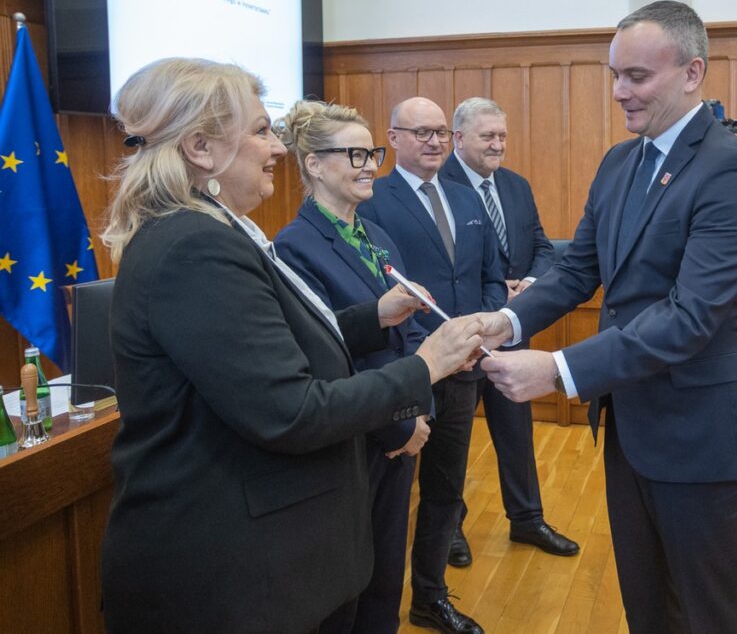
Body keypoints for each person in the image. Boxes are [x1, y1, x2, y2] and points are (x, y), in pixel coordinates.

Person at [99, 59, 483, 634]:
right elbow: (290, 410)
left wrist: (371, 318)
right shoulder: (194, 247)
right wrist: (425, 367)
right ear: (202, 148)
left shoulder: (212, 229)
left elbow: (274, 345)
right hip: (228, 572)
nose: (276, 147)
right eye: (260, 131)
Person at [475, 0, 737, 633]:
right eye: (614, 75)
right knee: (646, 602)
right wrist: (504, 321)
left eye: (636, 76)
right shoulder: (620, 161)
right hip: (631, 424)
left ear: (692, 73)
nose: (619, 92)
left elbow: (691, 316)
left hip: (698, 436)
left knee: (709, 610)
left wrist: (557, 369)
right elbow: (577, 269)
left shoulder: (730, 167)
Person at [272, 100, 430, 634]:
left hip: (400, 422)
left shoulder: (377, 237)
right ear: (314, 164)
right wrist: (398, 422)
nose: (371, 165)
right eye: (356, 153)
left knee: (387, 567)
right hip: (353, 435)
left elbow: (408, 335)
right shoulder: (294, 246)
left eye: (373, 153)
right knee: (349, 579)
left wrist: (414, 413)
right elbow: (317, 349)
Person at [359, 96, 505, 634]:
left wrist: (480, 329)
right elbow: (380, 289)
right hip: (408, 369)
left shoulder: (468, 196)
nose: (434, 141)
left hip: (464, 367)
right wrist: (432, 349)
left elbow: (491, 274)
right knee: (392, 498)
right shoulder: (374, 201)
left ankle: (429, 596)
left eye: (441, 132)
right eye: (420, 132)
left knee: (445, 488)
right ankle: (374, 607)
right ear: (393, 138)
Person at [440, 96, 578, 566]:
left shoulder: (515, 185)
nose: (499, 144)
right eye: (488, 137)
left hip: (515, 329)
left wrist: (532, 286)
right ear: (459, 139)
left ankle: (527, 519)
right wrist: (499, 289)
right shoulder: (438, 186)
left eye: (502, 135)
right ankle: (449, 528)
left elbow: (541, 244)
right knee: (453, 440)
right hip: (465, 333)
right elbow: (447, 264)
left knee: (516, 431)